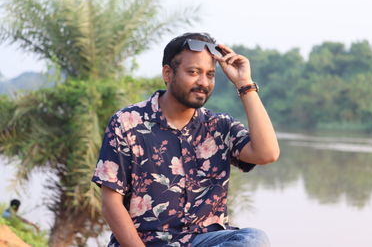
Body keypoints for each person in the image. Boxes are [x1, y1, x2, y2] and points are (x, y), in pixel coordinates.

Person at [92, 32, 280, 247]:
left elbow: (267, 153)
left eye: (210, 74)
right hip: (147, 241)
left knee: (253, 239)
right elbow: (110, 202)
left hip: (204, 240)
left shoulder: (219, 126)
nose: (203, 82)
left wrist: (244, 83)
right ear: (168, 73)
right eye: (193, 72)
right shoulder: (127, 122)